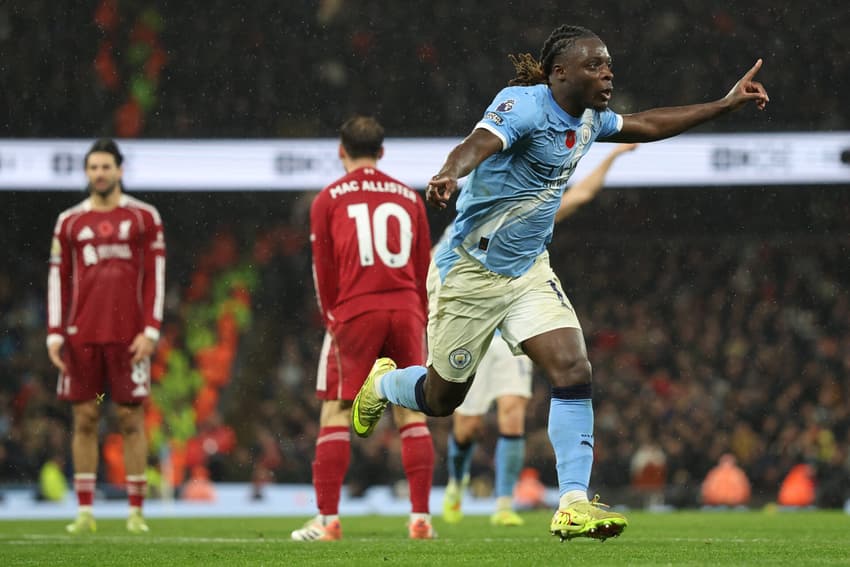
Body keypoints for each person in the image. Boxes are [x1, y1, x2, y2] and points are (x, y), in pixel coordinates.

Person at [352, 24, 768, 541]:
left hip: (527, 270)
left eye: (609, 63)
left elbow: (649, 123)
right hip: (471, 272)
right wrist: (449, 172)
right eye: (594, 64)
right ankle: (386, 382)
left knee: (573, 366)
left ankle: (572, 501)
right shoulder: (523, 105)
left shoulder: (591, 119)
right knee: (442, 400)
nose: (607, 72)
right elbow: (479, 142)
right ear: (559, 73)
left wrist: (725, 104)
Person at [442, 143, 637, 527]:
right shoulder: (463, 228)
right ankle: (455, 483)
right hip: (472, 319)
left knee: (512, 415)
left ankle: (503, 504)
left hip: (512, 325)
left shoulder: (532, 211)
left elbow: (580, 194)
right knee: (466, 426)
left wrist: (612, 156)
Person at [291, 116, 436, 542]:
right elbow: (423, 264)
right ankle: (421, 519)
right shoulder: (409, 197)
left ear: (341, 150)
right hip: (406, 307)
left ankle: (328, 521)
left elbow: (324, 270)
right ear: (382, 152)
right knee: (412, 410)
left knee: (335, 410)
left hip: (356, 310)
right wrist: (420, 314)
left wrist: (332, 318)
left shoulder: (328, 198)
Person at [47, 138, 166, 534]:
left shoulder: (144, 217)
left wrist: (150, 328)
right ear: (87, 173)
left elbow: (155, 277)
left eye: (106, 167)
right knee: (85, 416)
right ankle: (84, 512)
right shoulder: (69, 222)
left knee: (131, 417)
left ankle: (136, 512)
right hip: (82, 338)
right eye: (93, 167)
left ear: (119, 170)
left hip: (128, 338)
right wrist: (54, 333)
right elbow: (57, 281)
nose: (99, 173)